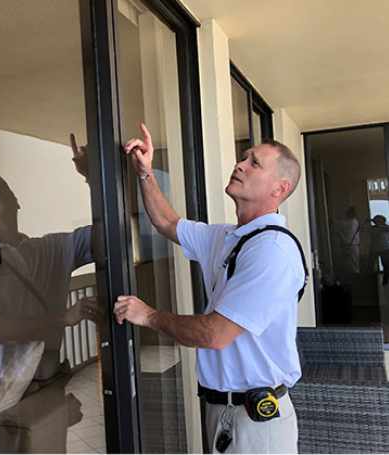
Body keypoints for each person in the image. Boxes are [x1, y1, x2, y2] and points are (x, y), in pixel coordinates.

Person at [113, 124, 306, 455]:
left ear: (280, 188)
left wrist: (148, 316)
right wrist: (145, 173)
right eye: (243, 158)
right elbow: (166, 222)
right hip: (225, 411)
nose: (239, 164)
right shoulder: (228, 237)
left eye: (254, 163)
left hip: (257, 424)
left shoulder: (273, 250)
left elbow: (215, 334)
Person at [0, 138, 101, 455]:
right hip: (2, 399)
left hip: (46, 392)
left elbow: (108, 237)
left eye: (3, 191)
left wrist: (93, 178)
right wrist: (64, 316)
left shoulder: (47, 250)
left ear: (18, 204)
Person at [334, 206, 361, 278]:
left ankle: (353, 279)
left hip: (347, 246)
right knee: (354, 264)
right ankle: (356, 279)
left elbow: (337, 224)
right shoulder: (356, 222)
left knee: (348, 264)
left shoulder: (346, 223)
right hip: (353, 246)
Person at [363, 214, 389, 285]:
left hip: (385, 249)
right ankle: (370, 280)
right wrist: (366, 221)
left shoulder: (385, 227)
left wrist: (383, 223)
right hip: (374, 249)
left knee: (386, 265)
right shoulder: (371, 228)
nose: (378, 221)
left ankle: (385, 280)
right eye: (377, 219)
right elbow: (363, 228)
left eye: (380, 219)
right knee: (370, 265)